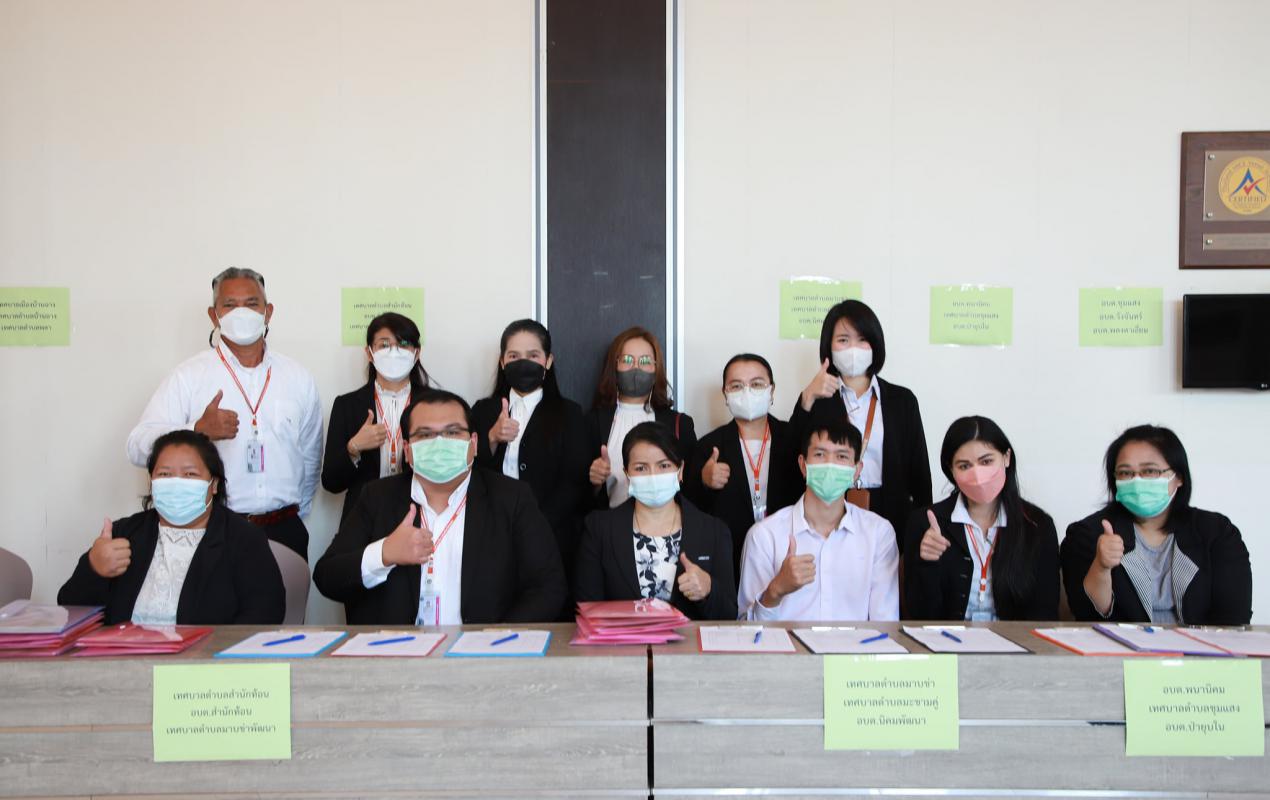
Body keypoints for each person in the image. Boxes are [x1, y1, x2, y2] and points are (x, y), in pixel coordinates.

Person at [312, 389, 567, 625]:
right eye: (425, 435)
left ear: (474, 443)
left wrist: (498, 641)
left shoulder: (511, 498)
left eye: (452, 432)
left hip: (481, 653)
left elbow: (549, 586)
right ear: (407, 450)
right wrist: (384, 553)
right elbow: (327, 577)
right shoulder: (377, 497)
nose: (439, 443)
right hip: (398, 653)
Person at [125, 267, 322, 560]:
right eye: (230, 305)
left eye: (251, 304)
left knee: (287, 593)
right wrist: (196, 431)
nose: (241, 313)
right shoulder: (189, 376)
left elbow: (310, 458)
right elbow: (136, 447)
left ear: (268, 312)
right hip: (214, 529)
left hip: (285, 529)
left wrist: (294, 513)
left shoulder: (298, 377)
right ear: (214, 315)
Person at [59, 430, 285, 625]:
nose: (177, 483)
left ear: (214, 484)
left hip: (206, 659)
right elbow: (69, 610)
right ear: (152, 482)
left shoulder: (244, 539)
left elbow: (266, 612)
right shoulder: (124, 534)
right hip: (122, 658)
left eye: (190, 474)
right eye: (165, 474)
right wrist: (94, 568)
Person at [1061, 425, 1252, 626]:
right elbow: (1087, 617)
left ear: (1178, 477)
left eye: (1150, 471)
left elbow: (1234, 620)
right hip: (1121, 646)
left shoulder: (1217, 533)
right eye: (1125, 473)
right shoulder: (1087, 534)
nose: (1136, 481)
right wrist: (1101, 568)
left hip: (1202, 647)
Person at [789, 300, 930, 551]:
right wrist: (807, 398)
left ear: (875, 344)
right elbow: (791, 459)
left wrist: (921, 531)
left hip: (891, 509)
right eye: (843, 340)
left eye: (862, 339)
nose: (853, 348)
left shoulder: (902, 400)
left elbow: (919, 473)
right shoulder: (817, 398)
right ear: (829, 347)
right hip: (830, 510)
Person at [737, 418, 899, 621]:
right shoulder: (764, 536)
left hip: (858, 643)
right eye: (820, 454)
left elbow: (885, 624)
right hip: (786, 643)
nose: (830, 464)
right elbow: (746, 630)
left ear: (856, 470)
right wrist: (776, 590)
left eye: (841, 456)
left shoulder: (878, 533)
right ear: (803, 465)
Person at [575, 422, 736, 620]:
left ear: (680, 470)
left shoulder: (714, 531)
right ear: (627, 474)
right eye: (641, 468)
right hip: (624, 640)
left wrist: (709, 589)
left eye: (664, 466)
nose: (653, 476)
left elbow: (729, 615)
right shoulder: (599, 529)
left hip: (688, 641)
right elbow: (588, 612)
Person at [903, 416, 1059, 621]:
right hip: (947, 640)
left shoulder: (1037, 525)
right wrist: (927, 563)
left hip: (1016, 641)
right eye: (964, 466)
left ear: (1006, 458)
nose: (977, 475)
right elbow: (919, 615)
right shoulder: (924, 523)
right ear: (951, 470)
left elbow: (1045, 613)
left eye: (986, 461)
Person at [471, 319, 589, 587]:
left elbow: (574, 481)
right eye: (514, 356)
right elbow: (468, 471)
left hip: (551, 536)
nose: (523, 362)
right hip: (491, 534)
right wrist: (491, 438)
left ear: (548, 361)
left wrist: (535, 524)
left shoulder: (570, 413)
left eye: (533, 355)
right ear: (502, 362)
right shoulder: (482, 410)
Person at [683, 353, 803, 582]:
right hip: (730, 561)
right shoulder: (708, 447)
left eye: (756, 384)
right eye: (737, 386)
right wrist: (704, 482)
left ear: (772, 391)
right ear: (725, 394)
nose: (747, 392)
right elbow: (690, 511)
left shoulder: (793, 440)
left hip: (787, 554)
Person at [322, 313, 432, 521]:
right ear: (370, 353)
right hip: (363, 517)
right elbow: (330, 482)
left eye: (403, 344)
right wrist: (354, 448)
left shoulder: (435, 404)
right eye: (384, 345)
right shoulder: (347, 405)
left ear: (416, 353)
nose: (394, 352)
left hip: (421, 515)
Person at [584, 326, 697, 509]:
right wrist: (594, 482)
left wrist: (706, 480)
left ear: (656, 368)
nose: (636, 367)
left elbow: (691, 489)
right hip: (611, 522)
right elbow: (576, 493)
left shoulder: (680, 424)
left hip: (666, 522)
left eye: (645, 361)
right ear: (614, 366)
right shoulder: (591, 423)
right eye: (627, 360)